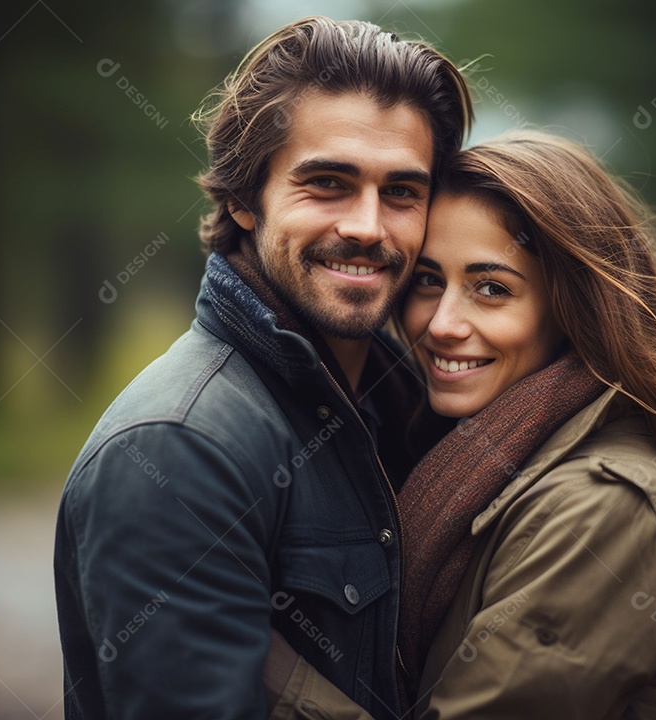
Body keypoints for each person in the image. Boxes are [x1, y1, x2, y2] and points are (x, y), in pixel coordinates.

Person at [267, 131, 656, 718]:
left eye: (492, 289)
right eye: (428, 280)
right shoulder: (481, 452)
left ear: (573, 309)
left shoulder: (600, 512)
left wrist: (256, 656)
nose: (443, 323)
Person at [53, 16, 472, 719]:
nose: (368, 226)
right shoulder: (177, 447)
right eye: (329, 182)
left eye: (402, 191)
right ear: (245, 199)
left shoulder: (408, 408)